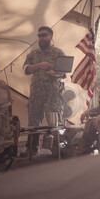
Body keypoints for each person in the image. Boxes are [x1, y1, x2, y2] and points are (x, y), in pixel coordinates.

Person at [22, 26, 66, 155]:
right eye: (39, 35)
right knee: (33, 122)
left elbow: (63, 73)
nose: (41, 38)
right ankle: (31, 148)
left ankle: (56, 149)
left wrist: (55, 72)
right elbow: (25, 69)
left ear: (51, 36)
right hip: (36, 94)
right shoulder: (33, 54)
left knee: (54, 123)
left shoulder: (59, 53)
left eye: (44, 35)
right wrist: (40, 65)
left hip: (53, 95)